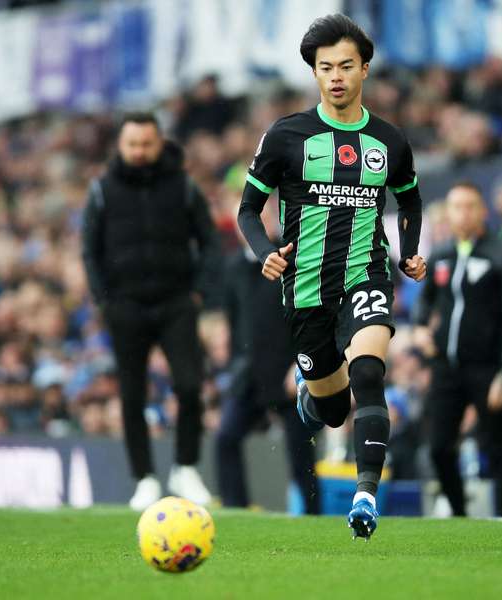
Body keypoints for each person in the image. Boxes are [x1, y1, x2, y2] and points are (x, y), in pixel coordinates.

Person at [238, 14, 426, 539]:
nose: (337, 76)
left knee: (369, 372)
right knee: (333, 411)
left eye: (346, 65)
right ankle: (314, 393)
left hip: (366, 273)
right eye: (326, 68)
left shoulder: (389, 141)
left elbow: (410, 200)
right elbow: (248, 210)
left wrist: (408, 252)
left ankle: (366, 496)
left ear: (365, 68)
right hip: (304, 289)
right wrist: (263, 253)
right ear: (315, 73)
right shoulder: (286, 135)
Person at [81, 112, 222, 510]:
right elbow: (89, 248)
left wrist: (200, 293)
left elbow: (209, 241)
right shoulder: (103, 190)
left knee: (190, 385)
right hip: (125, 305)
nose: (139, 152)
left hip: (177, 301)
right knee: (131, 393)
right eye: (132, 145)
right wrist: (103, 298)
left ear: (159, 143)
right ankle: (143, 477)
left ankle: (185, 466)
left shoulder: (183, 187)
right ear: (120, 147)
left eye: (146, 144)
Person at [414, 182, 502, 518]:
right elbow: (425, 301)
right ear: (448, 213)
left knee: (497, 450)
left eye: (469, 206)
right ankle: (460, 515)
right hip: (446, 367)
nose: (462, 213)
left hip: (488, 368)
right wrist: (422, 327)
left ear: (483, 211)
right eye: (456, 206)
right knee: (437, 448)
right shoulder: (442, 254)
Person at [216, 203, 319, 513]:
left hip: (287, 372)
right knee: (225, 438)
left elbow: (310, 318)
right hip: (250, 374)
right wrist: (234, 364)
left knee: (301, 453)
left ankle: (315, 518)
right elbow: (234, 324)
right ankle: (236, 509)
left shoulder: (292, 261)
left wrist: (301, 364)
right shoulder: (233, 268)